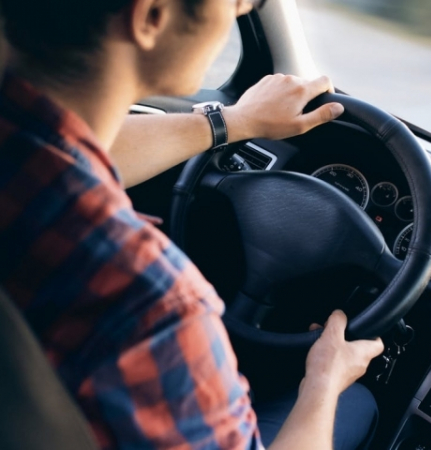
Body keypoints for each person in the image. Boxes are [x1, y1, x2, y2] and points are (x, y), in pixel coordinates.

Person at [0, 0, 384, 449]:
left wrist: (234, 121)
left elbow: (71, 153)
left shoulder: (25, 161)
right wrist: (323, 380)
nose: (241, 9)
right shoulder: (149, 305)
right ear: (151, 16)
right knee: (355, 403)